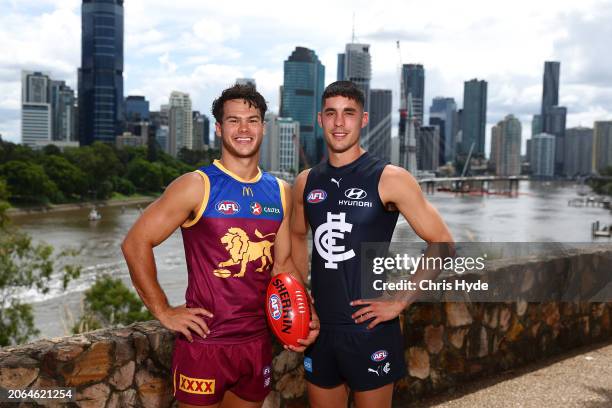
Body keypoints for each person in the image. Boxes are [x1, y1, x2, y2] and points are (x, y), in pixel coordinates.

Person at [122, 84, 318, 408]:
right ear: (218, 128)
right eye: (233, 120)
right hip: (205, 343)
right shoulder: (196, 186)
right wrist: (163, 310)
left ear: (263, 128)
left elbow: (282, 265)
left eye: (252, 120)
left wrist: (303, 312)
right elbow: (135, 243)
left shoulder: (280, 191)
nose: (243, 129)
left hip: (256, 342)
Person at [290, 81, 454, 407]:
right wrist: (300, 295)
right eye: (331, 114)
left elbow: (443, 243)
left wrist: (400, 301)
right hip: (319, 330)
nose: (339, 123)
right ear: (320, 119)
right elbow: (296, 235)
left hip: (370, 329)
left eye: (348, 113)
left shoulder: (390, 178)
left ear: (363, 120)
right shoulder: (305, 181)